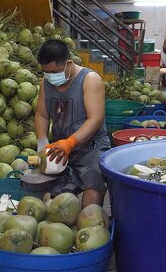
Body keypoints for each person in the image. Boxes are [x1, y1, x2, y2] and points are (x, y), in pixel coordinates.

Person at [34, 39, 110, 208]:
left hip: (91, 146)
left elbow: (95, 119)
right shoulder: (45, 83)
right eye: (46, 72)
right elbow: (41, 114)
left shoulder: (90, 79)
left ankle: (89, 224)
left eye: (54, 71)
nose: (50, 76)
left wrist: (70, 142)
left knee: (92, 185)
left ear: (68, 63)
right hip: (60, 147)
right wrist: (42, 142)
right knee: (52, 192)